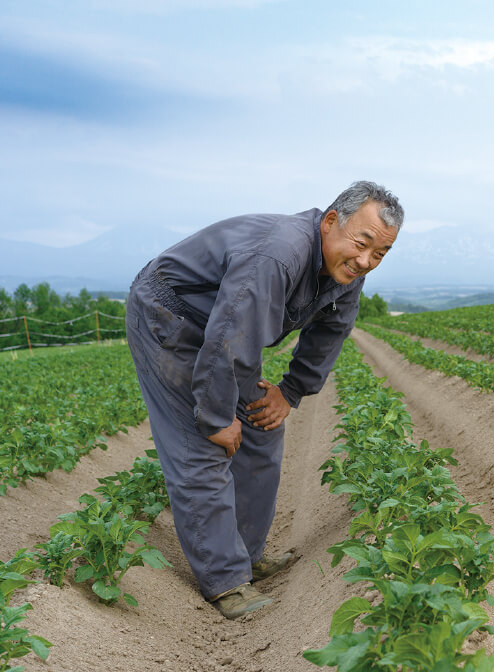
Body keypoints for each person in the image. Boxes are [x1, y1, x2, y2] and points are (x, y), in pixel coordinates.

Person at [124, 181, 402, 618]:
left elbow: (330, 333)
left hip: (226, 334)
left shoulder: (346, 273)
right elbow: (229, 334)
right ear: (331, 222)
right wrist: (216, 417)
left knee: (260, 427)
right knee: (202, 445)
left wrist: (290, 392)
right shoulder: (279, 254)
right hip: (171, 318)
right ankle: (226, 581)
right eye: (361, 244)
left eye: (379, 254)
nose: (366, 261)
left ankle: (246, 556)